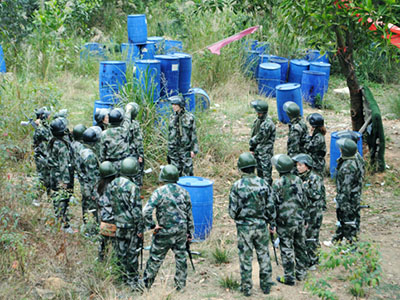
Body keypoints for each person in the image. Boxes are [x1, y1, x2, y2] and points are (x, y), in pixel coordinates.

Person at [229, 152, 276, 297]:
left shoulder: (237, 186)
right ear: (254, 167)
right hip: (261, 225)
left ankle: (246, 288)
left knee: (245, 257)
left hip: (244, 227)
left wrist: (240, 218)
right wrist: (271, 223)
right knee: (264, 255)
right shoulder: (263, 183)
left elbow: (232, 211)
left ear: (241, 168)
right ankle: (266, 285)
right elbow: (271, 207)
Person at [142, 164, 194, 291]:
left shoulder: (159, 192)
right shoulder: (184, 192)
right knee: (181, 258)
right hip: (181, 231)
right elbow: (189, 215)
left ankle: (146, 285)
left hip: (164, 231)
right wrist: (190, 232)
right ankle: (180, 286)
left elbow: (145, 212)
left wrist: (153, 225)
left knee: (155, 259)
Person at [106, 157, 143, 289]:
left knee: (120, 251)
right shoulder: (133, 187)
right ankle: (132, 280)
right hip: (130, 225)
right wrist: (140, 228)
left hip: (117, 223)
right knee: (132, 253)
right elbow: (137, 210)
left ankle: (121, 276)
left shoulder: (113, 183)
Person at [272, 154, 308, 285]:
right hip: (298, 219)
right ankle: (301, 273)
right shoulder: (298, 180)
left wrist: (272, 223)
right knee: (300, 245)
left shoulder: (278, 183)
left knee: (286, 248)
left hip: (285, 222)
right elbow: (304, 200)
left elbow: (273, 204)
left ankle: (289, 277)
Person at [292, 153, 326, 269]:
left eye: (300, 165)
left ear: (307, 166)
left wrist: (304, 188)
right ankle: (308, 258)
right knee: (306, 236)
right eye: (297, 165)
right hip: (306, 212)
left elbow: (316, 195)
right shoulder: (302, 177)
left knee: (312, 236)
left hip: (314, 212)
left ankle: (314, 260)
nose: (298, 167)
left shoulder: (314, 178)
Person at [332, 138, 363, 244]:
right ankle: (339, 239)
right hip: (355, 195)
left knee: (348, 220)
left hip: (348, 198)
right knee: (350, 219)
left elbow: (346, 188)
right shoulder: (357, 157)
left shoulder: (347, 167)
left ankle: (351, 244)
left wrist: (341, 202)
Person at [47, 117, 74, 233]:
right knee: (63, 199)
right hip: (61, 177)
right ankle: (64, 224)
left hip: (53, 174)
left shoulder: (52, 140)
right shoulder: (62, 146)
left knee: (57, 199)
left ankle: (59, 219)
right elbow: (64, 166)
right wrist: (66, 182)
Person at [167, 95, 199, 176]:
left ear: (180, 105)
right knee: (174, 172)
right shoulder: (172, 117)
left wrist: (194, 150)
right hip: (173, 149)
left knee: (187, 172)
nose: (173, 106)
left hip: (185, 149)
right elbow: (170, 133)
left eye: (175, 105)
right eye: (172, 104)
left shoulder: (189, 118)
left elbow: (193, 134)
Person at [249, 100, 276, 185]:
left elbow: (259, 137)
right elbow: (254, 133)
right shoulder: (258, 120)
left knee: (266, 176)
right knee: (259, 175)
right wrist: (252, 148)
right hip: (258, 152)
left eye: (259, 113)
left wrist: (251, 142)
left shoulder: (267, 123)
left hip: (265, 153)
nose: (257, 114)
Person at [78, 127, 101, 224]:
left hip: (84, 183)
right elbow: (93, 177)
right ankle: (91, 229)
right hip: (89, 186)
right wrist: (95, 193)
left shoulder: (82, 149)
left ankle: (87, 224)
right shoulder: (90, 155)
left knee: (86, 205)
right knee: (92, 208)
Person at [100, 107, 132, 174]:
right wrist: (128, 110)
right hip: (124, 163)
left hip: (110, 164)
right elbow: (127, 120)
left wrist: (102, 163)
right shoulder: (124, 130)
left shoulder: (104, 134)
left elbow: (102, 152)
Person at [97, 161, 117, 262]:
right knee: (115, 246)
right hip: (114, 221)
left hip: (103, 220)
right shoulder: (115, 187)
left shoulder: (99, 187)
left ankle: (101, 259)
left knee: (103, 243)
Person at [124, 102, 144, 186]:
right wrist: (141, 154)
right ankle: (137, 189)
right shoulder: (135, 124)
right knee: (137, 171)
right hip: (133, 152)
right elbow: (138, 141)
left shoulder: (122, 123)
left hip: (123, 152)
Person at [32, 107, 52, 193]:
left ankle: (48, 195)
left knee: (47, 176)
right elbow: (47, 136)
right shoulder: (40, 129)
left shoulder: (43, 126)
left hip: (45, 155)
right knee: (42, 177)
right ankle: (37, 197)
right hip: (41, 156)